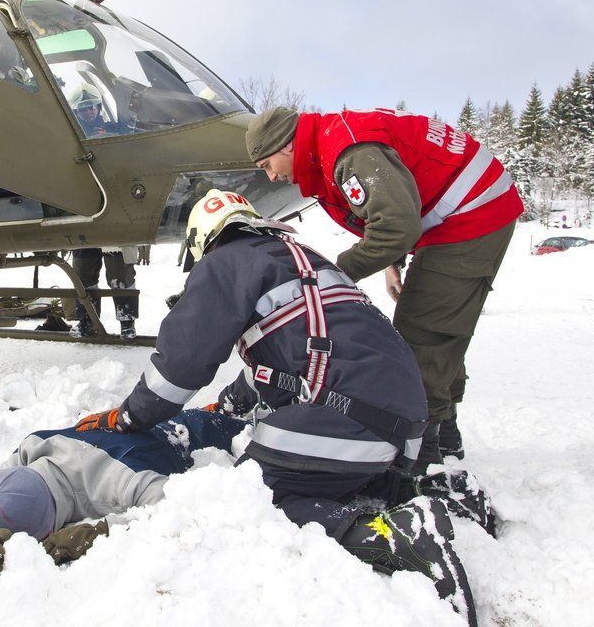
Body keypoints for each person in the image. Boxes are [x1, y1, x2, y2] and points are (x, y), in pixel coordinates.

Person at [74, 190, 487, 623]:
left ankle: (394, 539)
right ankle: (435, 493)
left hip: (349, 411)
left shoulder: (223, 263)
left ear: (201, 241)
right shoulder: (300, 257)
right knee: (321, 473)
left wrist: (129, 416)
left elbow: (181, 364)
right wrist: (228, 404)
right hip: (399, 415)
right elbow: (294, 358)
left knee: (253, 495)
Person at [245, 107, 522, 469]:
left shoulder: (349, 152)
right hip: (450, 218)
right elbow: (391, 210)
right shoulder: (331, 143)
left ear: (286, 145)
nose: (271, 175)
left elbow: (395, 226)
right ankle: (446, 437)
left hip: (472, 213)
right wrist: (393, 263)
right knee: (435, 324)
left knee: (422, 335)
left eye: (267, 164)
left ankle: (422, 460)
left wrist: (334, 274)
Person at [0, 409, 247, 574]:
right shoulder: (21, 463)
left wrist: (99, 533)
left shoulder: (112, 479)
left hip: (182, 434)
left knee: (243, 432)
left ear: (48, 532)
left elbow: (174, 508)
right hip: (121, 428)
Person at [69, 247, 140, 339]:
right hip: (84, 240)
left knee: (120, 274)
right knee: (83, 274)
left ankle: (127, 319)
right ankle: (88, 318)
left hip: (115, 240)